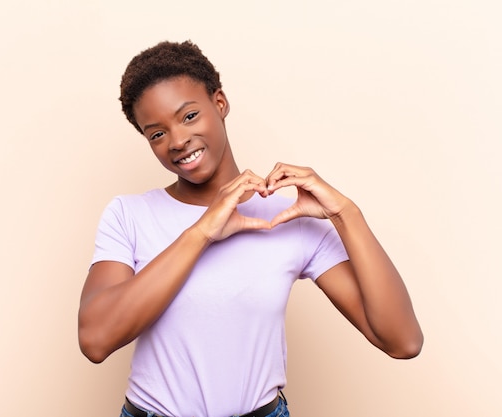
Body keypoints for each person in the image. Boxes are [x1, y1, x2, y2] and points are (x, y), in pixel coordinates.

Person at [78, 40, 423, 417]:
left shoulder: (287, 215)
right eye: (156, 133)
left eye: (189, 116)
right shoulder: (129, 214)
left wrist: (346, 214)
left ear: (220, 103)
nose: (177, 141)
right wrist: (202, 232)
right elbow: (96, 341)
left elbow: (402, 341)